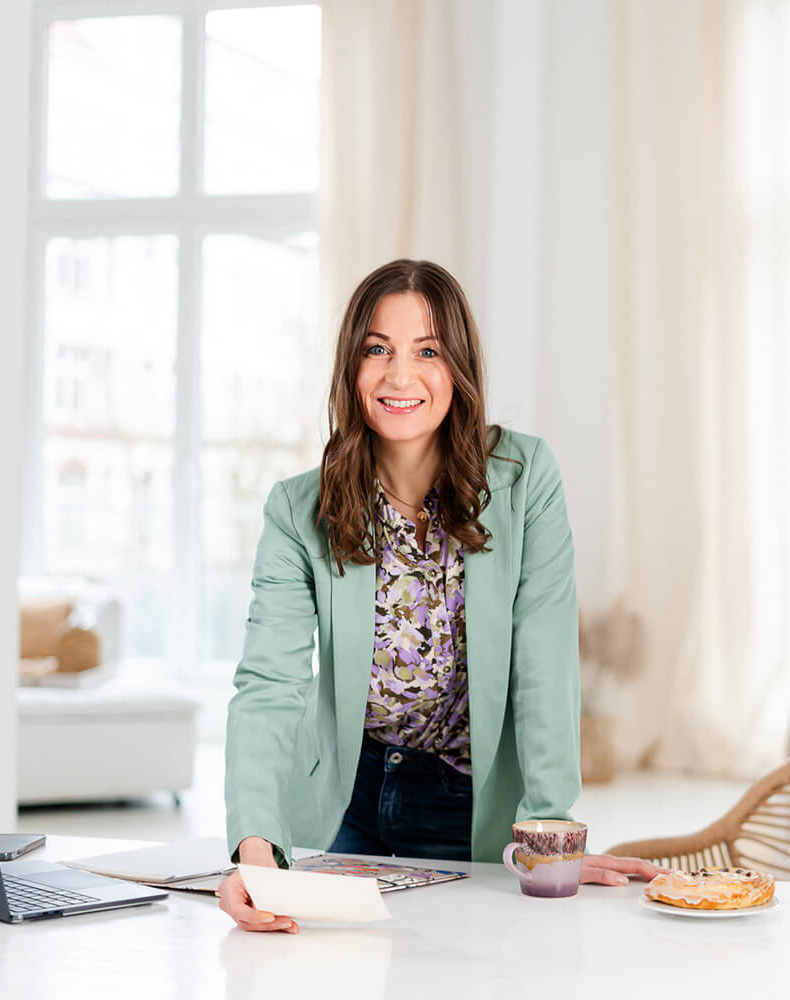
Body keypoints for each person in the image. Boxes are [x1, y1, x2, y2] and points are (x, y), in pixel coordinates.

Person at [218, 259, 662, 932]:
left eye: (427, 350)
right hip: (345, 801)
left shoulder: (524, 478)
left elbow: (543, 664)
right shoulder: (295, 508)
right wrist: (256, 848)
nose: (400, 376)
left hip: (467, 801)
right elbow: (269, 684)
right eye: (377, 350)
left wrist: (555, 835)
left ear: (458, 366)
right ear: (350, 367)